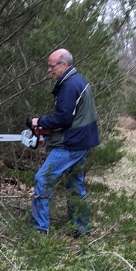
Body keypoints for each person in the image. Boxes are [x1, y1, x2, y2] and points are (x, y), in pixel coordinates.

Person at [30, 48, 99, 236]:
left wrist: (39, 122)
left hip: (72, 143)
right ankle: (82, 229)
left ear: (64, 65)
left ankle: (38, 229)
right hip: (81, 141)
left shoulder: (69, 86)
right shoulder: (77, 81)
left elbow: (63, 119)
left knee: (42, 178)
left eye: (52, 66)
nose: (49, 70)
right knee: (74, 185)